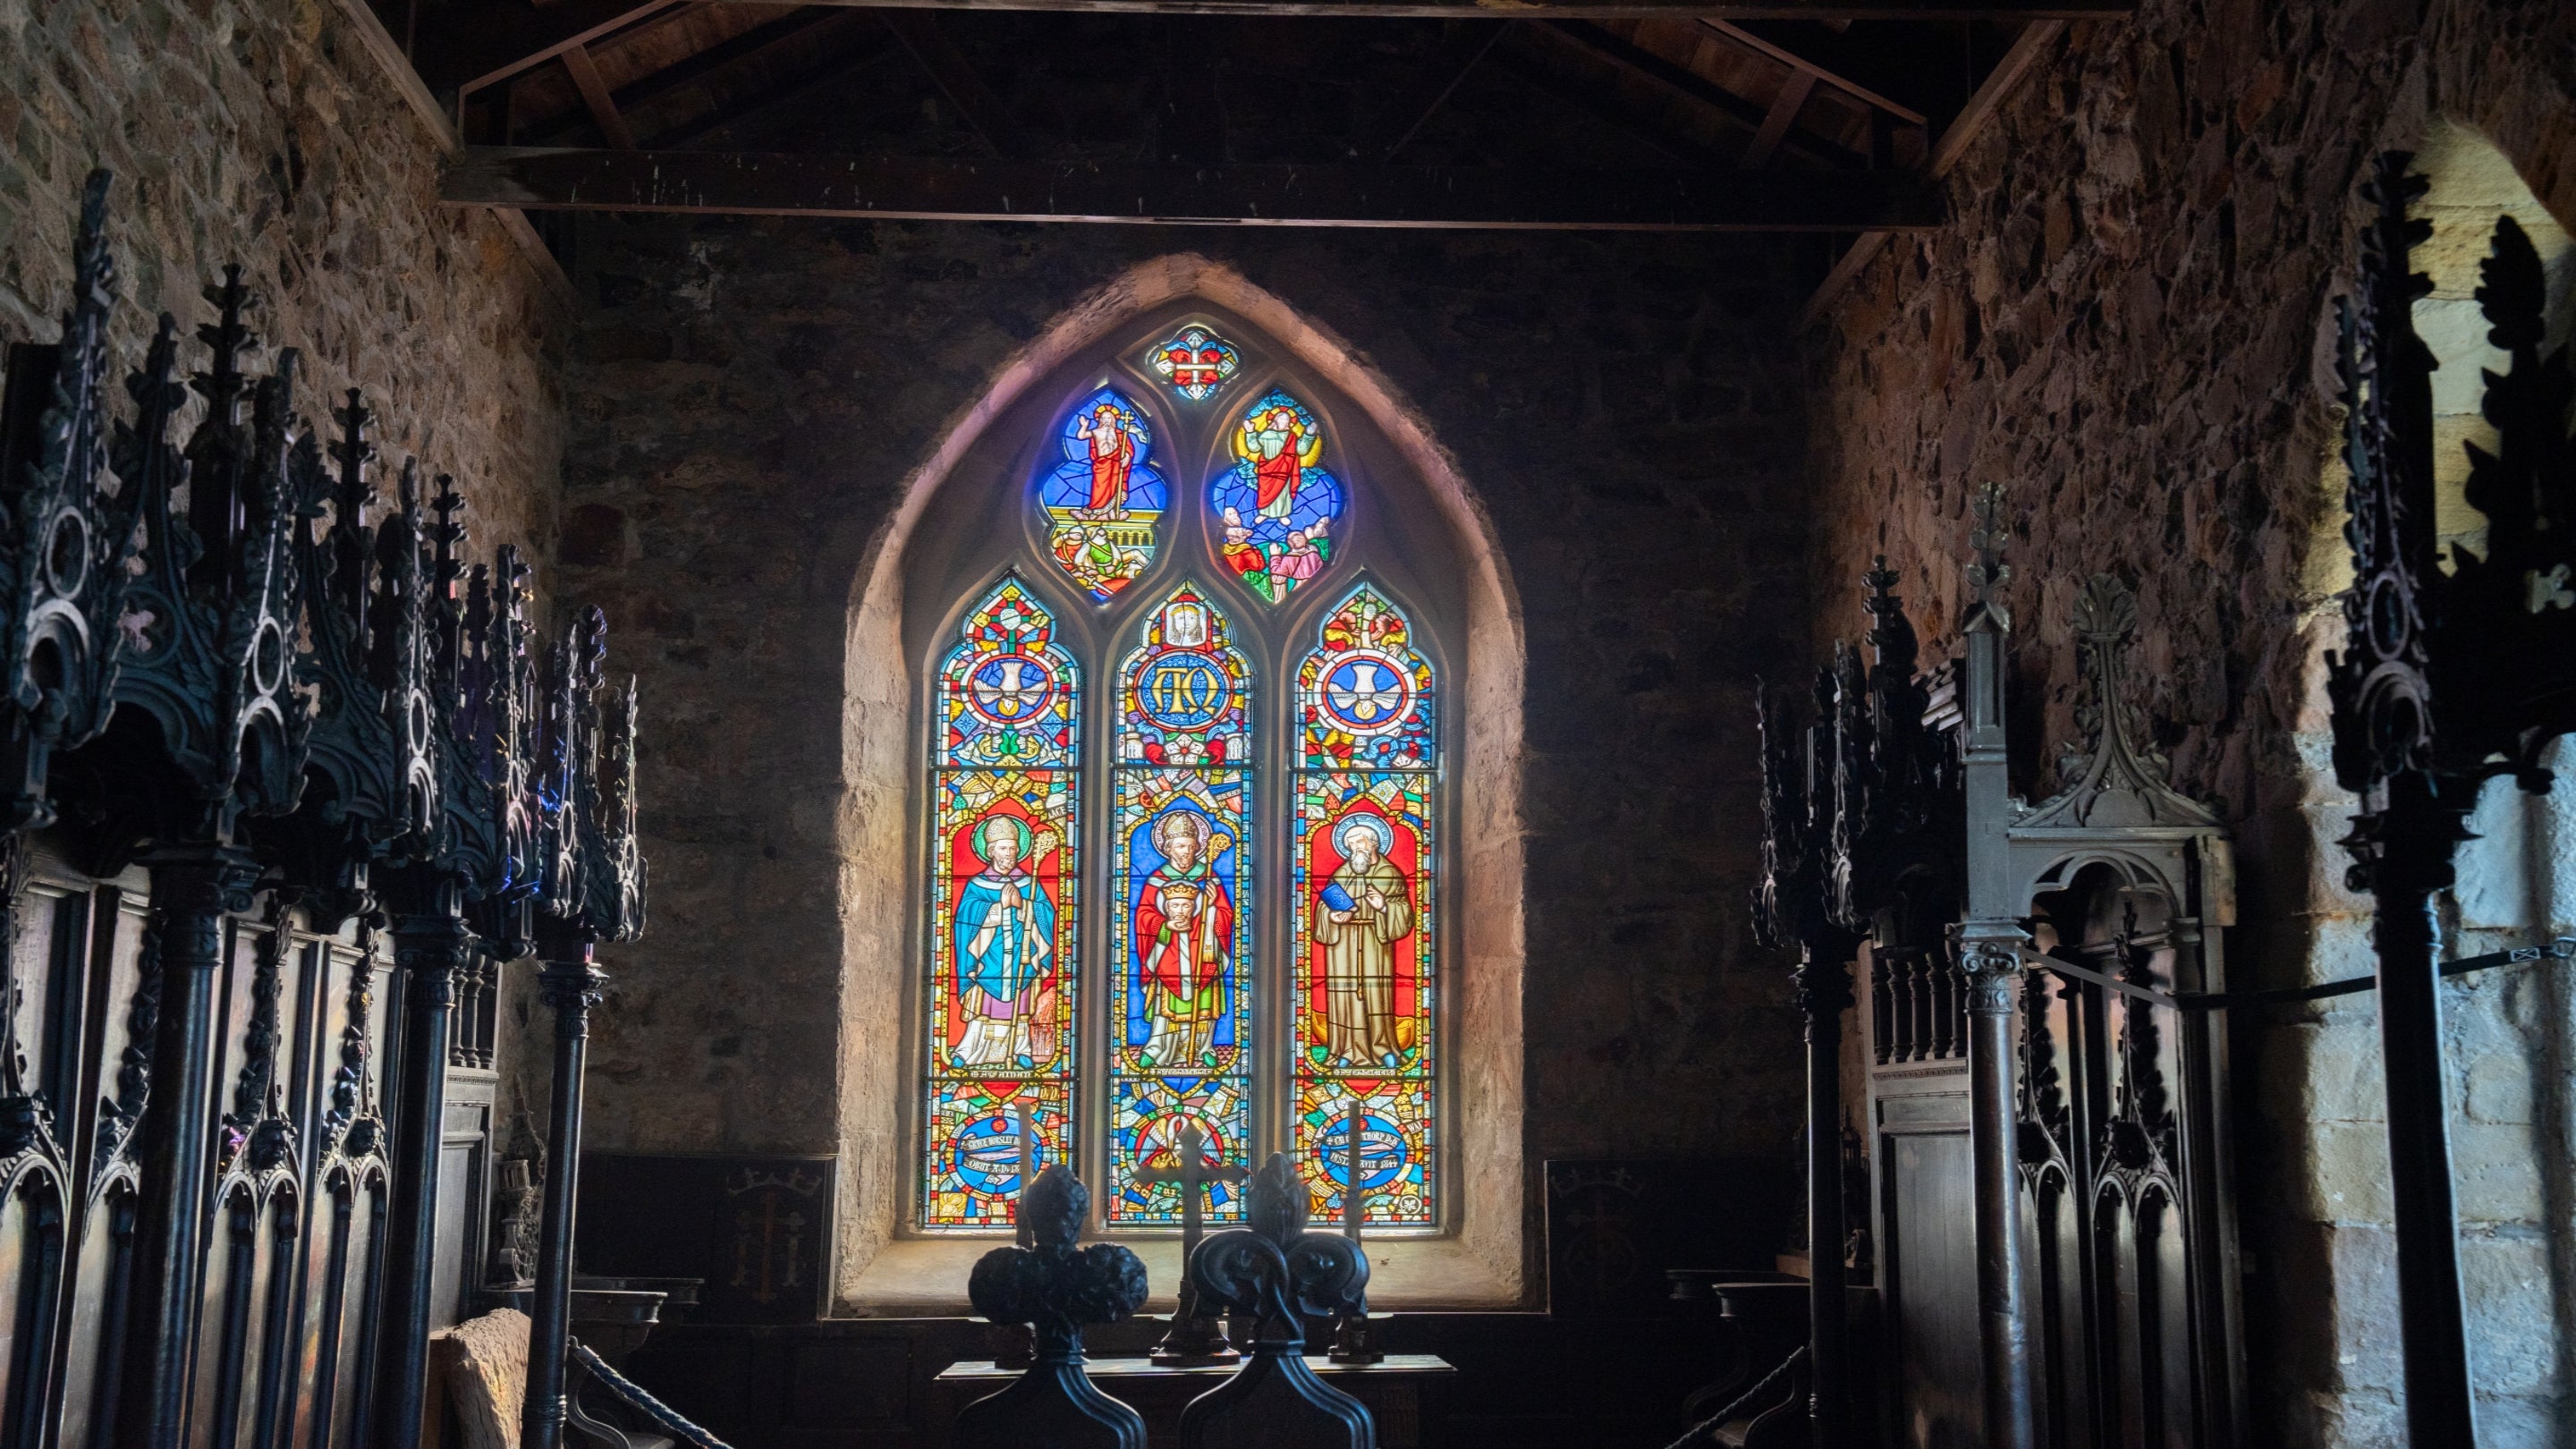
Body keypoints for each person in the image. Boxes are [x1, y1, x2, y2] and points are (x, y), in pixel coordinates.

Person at [1311, 814, 1414, 1067]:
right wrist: (1332, 916)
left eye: (1359, 842)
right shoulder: (1342, 873)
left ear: (1374, 843)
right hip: (1343, 947)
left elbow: (1404, 912)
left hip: (1374, 942)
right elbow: (1324, 907)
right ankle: (1346, 1050)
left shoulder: (1390, 873)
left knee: (1375, 994)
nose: (1354, 848)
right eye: (1350, 844)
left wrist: (1384, 907)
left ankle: (1383, 1048)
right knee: (1345, 996)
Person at [953, 815, 1056, 1068]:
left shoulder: (1029, 883)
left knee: (1020, 1006)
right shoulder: (977, 884)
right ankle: (969, 1050)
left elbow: (1046, 913)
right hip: (989, 956)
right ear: (990, 851)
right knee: (982, 1005)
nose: (1008, 854)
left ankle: (1021, 1049)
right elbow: (965, 917)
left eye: (1012, 848)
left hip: (1022, 954)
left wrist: (1025, 905)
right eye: (1003, 848)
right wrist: (997, 907)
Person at [1134, 811, 1233, 1067]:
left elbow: (1226, 915)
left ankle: (1204, 1048)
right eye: (1180, 846)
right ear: (1167, 848)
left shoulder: (1209, 877)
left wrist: (1213, 907)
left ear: (1198, 847)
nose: (1186, 852)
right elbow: (1143, 915)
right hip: (1168, 952)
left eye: (1191, 846)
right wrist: (1165, 925)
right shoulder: (1156, 879)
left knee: (1205, 999)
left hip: (1204, 951)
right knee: (1165, 1002)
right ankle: (1157, 1048)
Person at [1242, 404, 1306, 523]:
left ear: (1289, 423)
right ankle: (1264, 513)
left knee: (1283, 492)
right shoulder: (1266, 434)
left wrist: (1309, 435)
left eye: (1286, 419)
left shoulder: (1291, 437)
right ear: (1275, 420)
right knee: (1265, 491)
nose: (1283, 421)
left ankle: (1283, 514)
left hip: (1285, 469)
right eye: (1281, 418)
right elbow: (1254, 448)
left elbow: (1301, 450)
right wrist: (1250, 432)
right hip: (1267, 469)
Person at [1076, 402, 1135, 518]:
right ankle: (1096, 508)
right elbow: (1081, 436)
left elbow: (1128, 448)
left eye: (1109, 418)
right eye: (1103, 418)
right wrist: (1084, 426)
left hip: (1116, 463)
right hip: (1102, 464)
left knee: (1115, 485)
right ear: (1100, 419)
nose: (1106, 420)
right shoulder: (1096, 432)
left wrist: (1127, 456)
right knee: (1099, 486)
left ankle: (1111, 510)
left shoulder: (1120, 433)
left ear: (1113, 419)